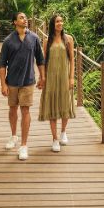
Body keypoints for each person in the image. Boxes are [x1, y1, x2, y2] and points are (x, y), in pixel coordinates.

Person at [0, 12, 45, 160]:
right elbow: (1, 65)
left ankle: (24, 146)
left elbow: (40, 60)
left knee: (25, 110)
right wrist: (2, 84)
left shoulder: (34, 38)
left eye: (25, 17)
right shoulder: (8, 41)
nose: (25, 20)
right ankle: (14, 136)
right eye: (21, 18)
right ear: (14, 22)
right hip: (11, 82)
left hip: (28, 81)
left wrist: (43, 77)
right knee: (12, 109)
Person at [39, 13, 75, 152]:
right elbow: (44, 61)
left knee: (65, 104)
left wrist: (71, 78)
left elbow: (72, 60)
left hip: (65, 77)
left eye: (61, 21)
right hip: (51, 78)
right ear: (53, 25)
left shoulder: (69, 39)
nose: (60, 23)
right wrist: (43, 78)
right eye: (57, 22)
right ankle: (54, 139)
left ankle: (63, 132)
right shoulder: (47, 41)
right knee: (52, 106)